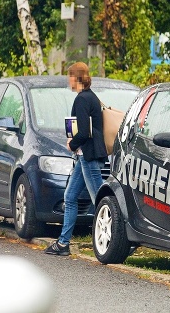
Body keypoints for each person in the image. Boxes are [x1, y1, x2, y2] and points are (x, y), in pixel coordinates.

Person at [45, 62, 107, 256]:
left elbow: (84, 132)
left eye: (70, 76)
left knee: (102, 200)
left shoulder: (82, 99)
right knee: (70, 197)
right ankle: (63, 243)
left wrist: (71, 144)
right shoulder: (91, 98)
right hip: (85, 157)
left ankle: (118, 239)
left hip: (88, 156)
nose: (68, 80)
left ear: (76, 78)